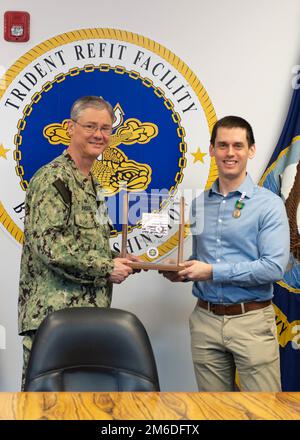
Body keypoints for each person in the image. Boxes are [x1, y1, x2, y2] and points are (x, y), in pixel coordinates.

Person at [163, 116, 290, 391]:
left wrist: (211, 272)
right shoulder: (198, 205)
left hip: (252, 322)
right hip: (205, 321)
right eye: (222, 145)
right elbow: (201, 261)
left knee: (264, 412)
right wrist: (182, 273)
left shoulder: (269, 205)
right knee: (214, 412)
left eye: (238, 145)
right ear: (211, 150)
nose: (229, 153)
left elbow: (273, 268)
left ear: (251, 150)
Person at [18, 96, 136, 387]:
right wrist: (106, 267)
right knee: (45, 409)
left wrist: (121, 259)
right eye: (90, 126)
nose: (99, 135)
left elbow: (84, 245)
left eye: (106, 128)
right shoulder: (53, 179)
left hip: (89, 316)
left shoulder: (91, 183)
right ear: (71, 128)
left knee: (87, 405)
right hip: (53, 320)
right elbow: (51, 248)